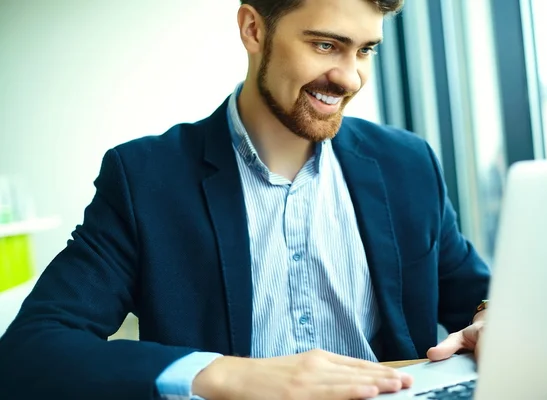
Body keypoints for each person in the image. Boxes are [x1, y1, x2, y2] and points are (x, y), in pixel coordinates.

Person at [0, 0, 491, 399]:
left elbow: (480, 295)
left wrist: (489, 320)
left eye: (365, 50)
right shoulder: (146, 178)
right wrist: (227, 375)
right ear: (254, 29)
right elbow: (31, 351)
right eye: (325, 45)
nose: (350, 77)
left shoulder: (407, 164)